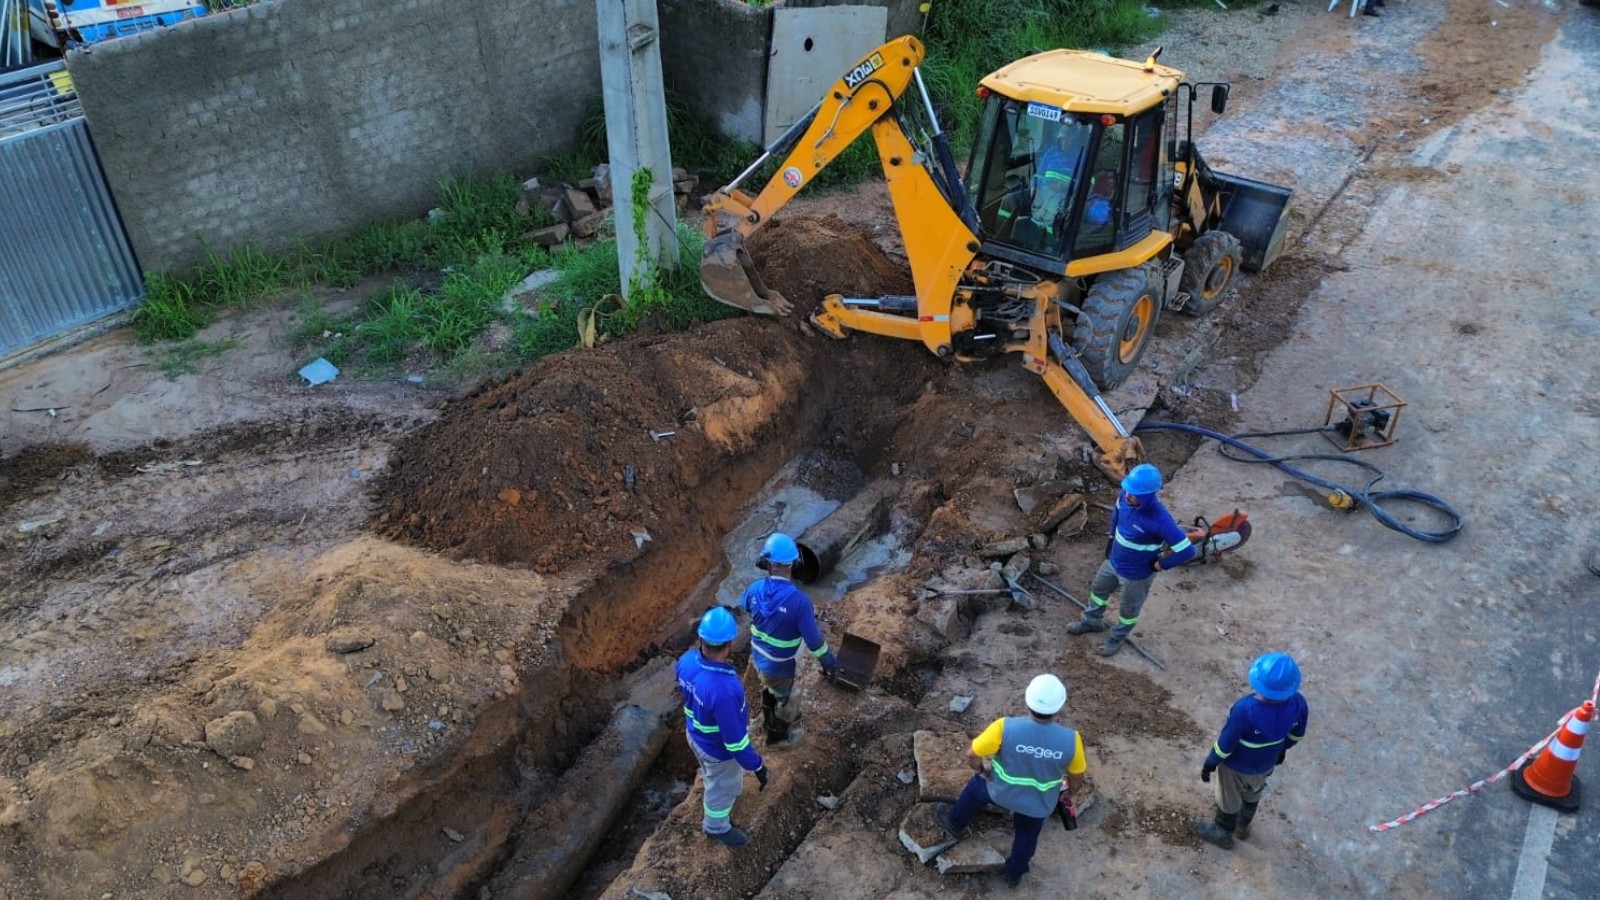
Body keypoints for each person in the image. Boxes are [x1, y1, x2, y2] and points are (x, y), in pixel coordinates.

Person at [935, 674, 1087, 889]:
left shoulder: (1005, 727)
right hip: (1038, 805)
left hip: (1000, 792)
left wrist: (982, 771)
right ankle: (1014, 872)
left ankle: (955, 823)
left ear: (1027, 700)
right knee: (1027, 836)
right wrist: (1070, 794)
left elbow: (972, 754)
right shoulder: (1071, 740)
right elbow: (1077, 776)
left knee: (975, 789)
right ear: (1059, 707)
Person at [1065, 463, 1196, 656]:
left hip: (1136, 576)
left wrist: (1159, 565)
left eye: (1134, 494)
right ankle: (1092, 621)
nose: (1127, 496)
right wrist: (1111, 537)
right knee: (1098, 591)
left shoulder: (1161, 520)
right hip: (1113, 562)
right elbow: (1117, 513)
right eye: (1127, 490)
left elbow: (1187, 551)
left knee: (1129, 611)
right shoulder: (1125, 497)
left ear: (1148, 496)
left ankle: (1116, 638)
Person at [1192, 652, 1309, 849]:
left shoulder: (1244, 710)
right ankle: (1242, 826)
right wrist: (1282, 749)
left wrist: (1210, 762)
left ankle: (1222, 832)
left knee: (1229, 797)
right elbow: (1297, 735)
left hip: (1235, 766)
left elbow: (1225, 744)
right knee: (1254, 791)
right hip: (1266, 763)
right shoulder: (1299, 704)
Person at [675, 607, 770, 849]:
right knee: (725, 786)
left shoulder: (686, 661)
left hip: (694, 734)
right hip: (717, 751)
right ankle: (716, 826)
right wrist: (757, 766)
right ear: (729, 644)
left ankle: (713, 787)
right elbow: (736, 743)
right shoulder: (725, 689)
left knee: (711, 773)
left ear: (701, 638)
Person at [742, 532, 839, 748]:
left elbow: (746, 606)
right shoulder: (800, 602)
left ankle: (768, 719)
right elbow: (814, 642)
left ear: (767, 563)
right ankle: (777, 737)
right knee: (790, 698)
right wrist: (829, 663)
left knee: (769, 687)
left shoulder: (754, 588)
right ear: (794, 564)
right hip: (782, 667)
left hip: (759, 658)